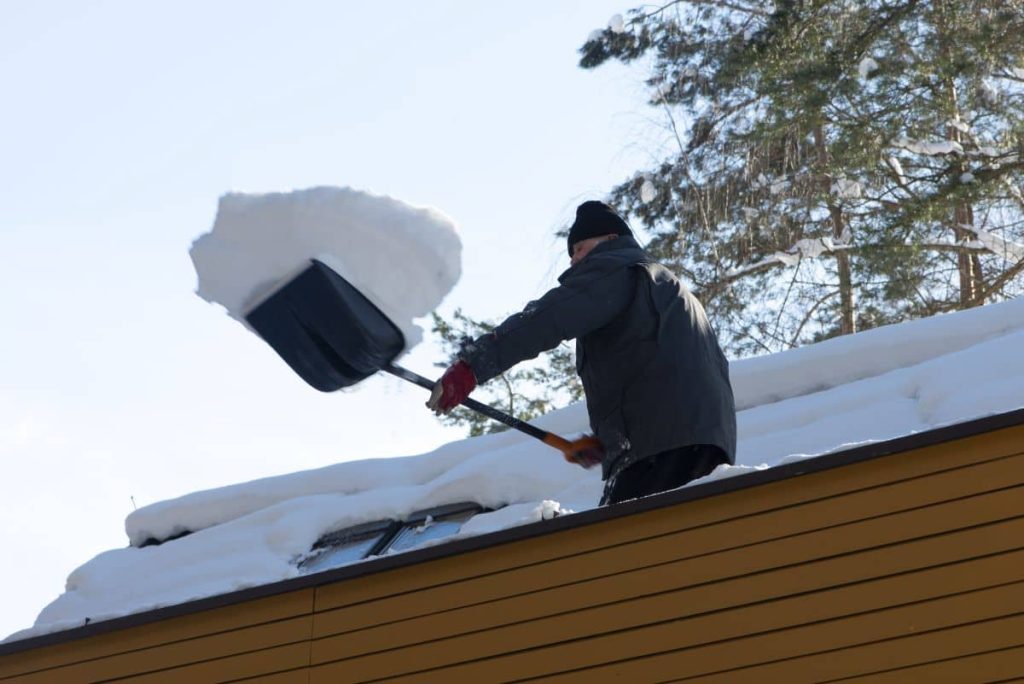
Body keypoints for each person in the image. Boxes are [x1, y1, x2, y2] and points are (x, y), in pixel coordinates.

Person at [427, 200, 736, 506]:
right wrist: (607, 444)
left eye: (579, 248)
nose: (574, 261)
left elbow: (547, 318)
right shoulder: (665, 286)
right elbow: (657, 371)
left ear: (610, 240)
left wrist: (472, 365)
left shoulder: (617, 268)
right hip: (704, 446)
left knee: (614, 547)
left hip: (660, 450)